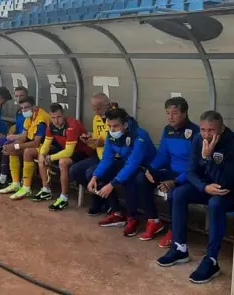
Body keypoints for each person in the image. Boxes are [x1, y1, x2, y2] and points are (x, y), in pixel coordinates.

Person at [156, 110, 234, 285]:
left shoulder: (233, 143)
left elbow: (225, 181)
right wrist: (203, 187)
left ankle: (211, 260)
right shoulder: (198, 139)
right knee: (178, 193)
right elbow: (191, 171)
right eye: (203, 130)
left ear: (222, 128)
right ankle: (179, 248)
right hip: (207, 187)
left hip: (227, 191)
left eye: (211, 130)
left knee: (215, 203)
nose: (206, 135)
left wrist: (208, 157)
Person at [87, 108, 158, 238]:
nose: (112, 130)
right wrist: (94, 177)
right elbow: (107, 158)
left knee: (130, 179)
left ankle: (134, 218)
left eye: (116, 126)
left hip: (146, 168)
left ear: (125, 124)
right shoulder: (111, 135)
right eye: (109, 126)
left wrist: (112, 184)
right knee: (93, 173)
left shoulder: (140, 135)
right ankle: (118, 213)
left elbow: (133, 163)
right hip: (128, 165)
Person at [146, 97, 200, 247]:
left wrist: (176, 181)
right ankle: (153, 220)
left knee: (173, 193)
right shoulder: (167, 130)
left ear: (184, 113)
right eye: (167, 113)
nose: (170, 117)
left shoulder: (195, 132)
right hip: (172, 172)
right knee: (140, 179)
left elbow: (194, 165)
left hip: (189, 176)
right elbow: (163, 154)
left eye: (174, 113)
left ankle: (174, 231)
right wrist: (151, 169)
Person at [33, 103, 95, 210]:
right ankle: (46, 190)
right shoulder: (51, 126)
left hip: (84, 152)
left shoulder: (72, 125)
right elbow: (46, 144)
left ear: (63, 115)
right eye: (53, 117)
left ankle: (64, 198)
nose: (56, 120)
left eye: (58, 117)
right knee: (41, 157)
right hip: (66, 150)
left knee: (63, 162)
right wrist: (43, 155)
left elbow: (69, 152)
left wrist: (51, 158)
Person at [69, 93, 117, 215]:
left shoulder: (116, 117)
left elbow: (118, 141)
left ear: (107, 105)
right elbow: (97, 140)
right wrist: (89, 140)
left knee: (91, 172)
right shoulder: (97, 118)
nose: (96, 112)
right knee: (75, 170)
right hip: (99, 155)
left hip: (114, 157)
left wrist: (102, 142)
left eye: (99, 108)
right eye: (94, 109)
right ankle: (102, 198)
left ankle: (109, 203)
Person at [0, 96, 50, 199]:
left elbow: (36, 143)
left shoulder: (41, 119)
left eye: (26, 107)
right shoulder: (28, 117)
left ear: (34, 106)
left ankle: (26, 188)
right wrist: (11, 146)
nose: (24, 110)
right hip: (36, 145)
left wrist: (16, 146)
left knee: (27, 152)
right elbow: (24, 136)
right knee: (13, 151)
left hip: (46, 147)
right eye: (22, 108)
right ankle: (16, 183)